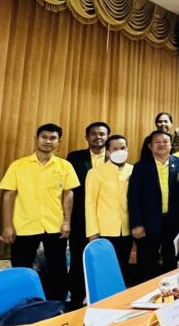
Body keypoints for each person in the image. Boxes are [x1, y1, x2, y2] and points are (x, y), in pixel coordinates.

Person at [0, 123, 79, 302]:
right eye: (44, 137)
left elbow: (68, 194)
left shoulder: (64, 166)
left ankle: (57, 303)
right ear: (36, 139)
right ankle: (21, 303)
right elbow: (8, 195)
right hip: (24, 224)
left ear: (59, 142)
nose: (48, 141)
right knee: (21, 267)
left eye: (53, 138)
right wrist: (7, 225)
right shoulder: (18, 165)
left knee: (58, 266)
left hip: (54, 225)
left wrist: (67, 221)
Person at [127, 130, 179, 283]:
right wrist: (136, 224)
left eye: (165, 141)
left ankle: (173, 289)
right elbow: (133, 198)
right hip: (149, 222)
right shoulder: (140, 167)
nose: (162, 144)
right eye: (157, 142)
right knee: (147, 261)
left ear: (171, 145)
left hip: (174, 221)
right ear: (150, 146)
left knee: (172, 258)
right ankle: (147, 290)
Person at [66, 121, 110, 307]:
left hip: (107, 218)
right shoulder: (74, 158)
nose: (98, 137)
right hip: (80, 217)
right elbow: (68, 188)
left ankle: (104, 298)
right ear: (87, 137)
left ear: (107, 137)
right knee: (78, 259)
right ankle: (76, 300)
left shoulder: (116, 158)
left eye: (102, 134)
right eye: (94, 133)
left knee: (105, 260)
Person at [85, 134, 134, 285]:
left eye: (123, 148)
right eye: (115, 149)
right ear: (108, 152)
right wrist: (92, 231)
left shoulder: (133, 170)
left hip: (127, 228)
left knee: (123, 267)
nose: (120, 151)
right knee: (105, 269)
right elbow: (90, 203)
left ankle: (122, 294)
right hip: (104, 229)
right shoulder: (95, 172)